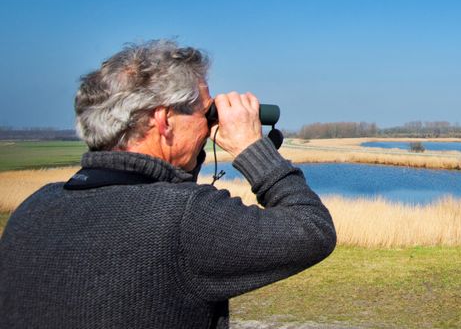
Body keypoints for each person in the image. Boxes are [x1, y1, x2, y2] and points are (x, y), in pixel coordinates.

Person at [0, 40, 336, 328]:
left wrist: (189, 150)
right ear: (163, 120)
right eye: (205, 113)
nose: (208, 128)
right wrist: (252, 148)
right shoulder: (183, 218)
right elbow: (312, 229)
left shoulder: (32, 210)